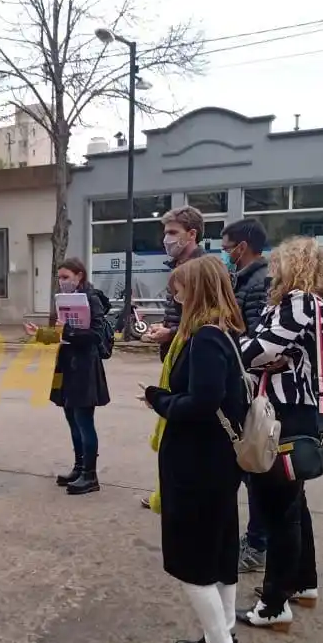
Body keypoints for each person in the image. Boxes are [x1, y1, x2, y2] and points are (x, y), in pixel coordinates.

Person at [139, 255, 248, 643]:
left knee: (193, 565)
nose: (174, 296)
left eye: (179, 290)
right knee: (220, 556)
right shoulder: (223, 333)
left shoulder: (204, 340)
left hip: (198, 468)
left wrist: (159, 400)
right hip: (217, 465)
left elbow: (201, 404)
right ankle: (220, 638)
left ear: (196, 291)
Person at [237, 237, 323, 632]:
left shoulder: (298, 302)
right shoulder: (318, 305)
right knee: (294, 507)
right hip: (302, 411)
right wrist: (271, 356)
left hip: (284, 414)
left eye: (278, 264)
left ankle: (275, 603)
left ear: (295, 266)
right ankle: (303, 583)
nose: (272, 272)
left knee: (277, 509)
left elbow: (259, 348)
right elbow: (277, 353)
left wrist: (241, 348)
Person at [23, 258, 110, 495]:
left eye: (65, 277)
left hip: (84, 367)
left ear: (79, 276)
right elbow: (64, 334)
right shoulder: (65, 300)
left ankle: (90, 476)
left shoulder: (91, 299)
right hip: (67, 364)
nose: (61, 282)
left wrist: (67, 330)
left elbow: (94, 335)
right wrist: (41, 333)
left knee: (84, 421)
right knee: (72, 419)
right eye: (59, 278)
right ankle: (79, 468)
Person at [140, 205, 206, 508]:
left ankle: (178, 498)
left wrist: (173, 332)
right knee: (172, 436)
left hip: (191, 361)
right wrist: (165, 328)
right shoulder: (178, 265)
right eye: (165, 232)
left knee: (183, 433)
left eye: (172, 232)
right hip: (174, 356)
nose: (166, 239)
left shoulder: (201, 268)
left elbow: (203, 318)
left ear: (192, 234)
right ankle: (166, 494)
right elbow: (180, 315)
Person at [220, 218, 271, 574]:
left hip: (251, 383)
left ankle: (258, 543)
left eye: (228, 249)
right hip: (240, 378)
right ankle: (253, 537)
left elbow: (254, 337)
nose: (226, 255)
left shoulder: (259, 281)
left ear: (244, 245)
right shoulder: (243, 278)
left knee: (255, 471)